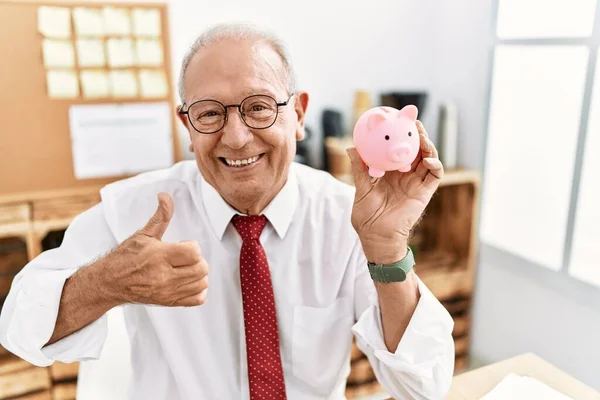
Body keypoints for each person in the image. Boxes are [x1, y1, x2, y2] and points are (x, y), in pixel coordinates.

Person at [0, 23, 454, 400]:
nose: (235, 137)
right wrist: (107, 283)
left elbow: (423, 386)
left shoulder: (347, 215)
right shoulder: (133, 210)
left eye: (258, 107)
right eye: (210, 113)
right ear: (187, 126)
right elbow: (18, 327)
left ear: (298, 115)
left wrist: (388, 253)